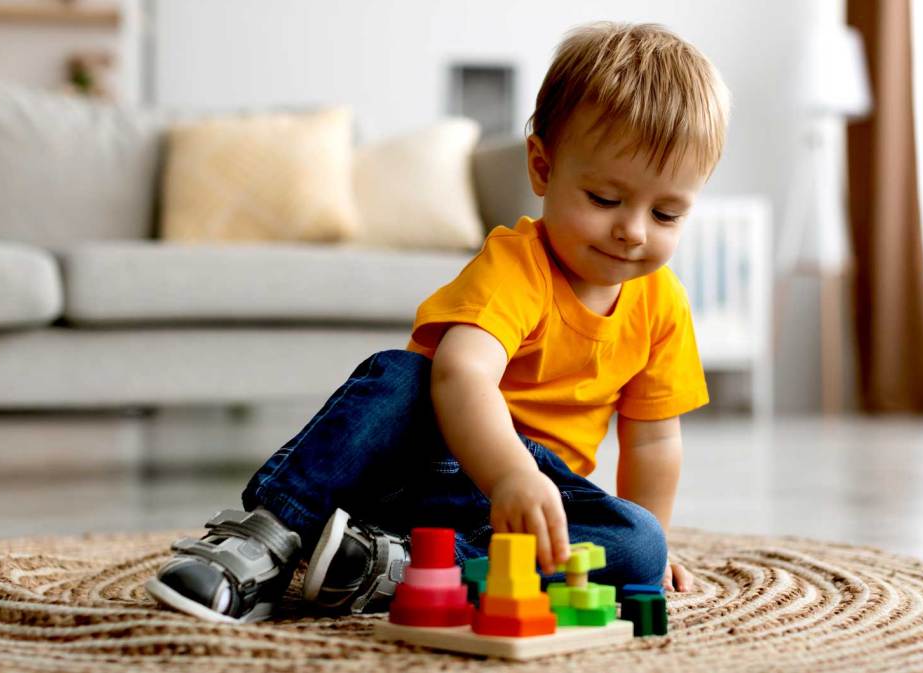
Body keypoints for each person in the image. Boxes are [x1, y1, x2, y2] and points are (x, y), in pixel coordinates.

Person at [145, 20, 730, 624]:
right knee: (400, 378)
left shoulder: (662, 305)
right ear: (542, 168)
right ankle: (263, 542)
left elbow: (655, 439)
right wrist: (509, 473)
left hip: (522, 513)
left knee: (636, 544)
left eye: (665, 213)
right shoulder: (518, 267)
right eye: (605, 200)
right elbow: (463, 374)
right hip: (430, 468)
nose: (632, 230)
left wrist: (652, 548)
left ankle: (386, 567)